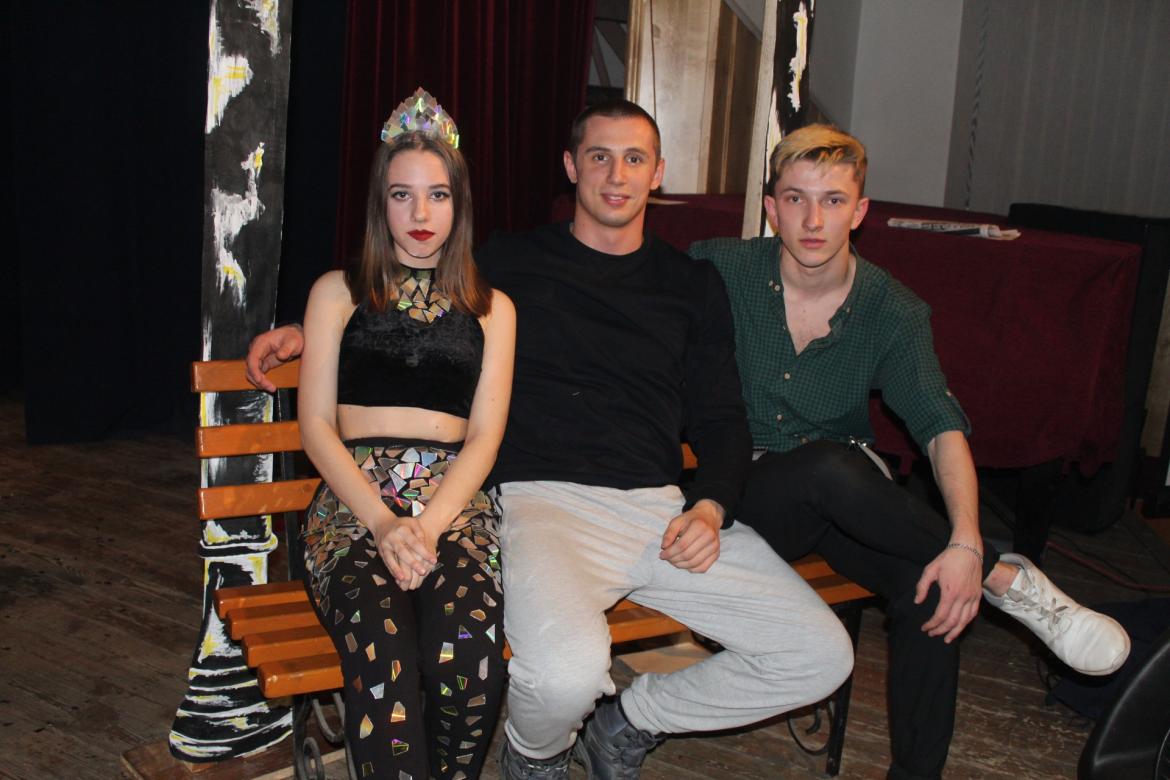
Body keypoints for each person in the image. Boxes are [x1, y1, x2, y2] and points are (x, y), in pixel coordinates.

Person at [249, 100, 853, 779]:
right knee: (565, 674)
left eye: (634, 159)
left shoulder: (692, 284)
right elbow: (411, 289)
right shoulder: (510, 261)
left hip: (661, 510)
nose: (616, 175)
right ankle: (535, 758)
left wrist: (711, 505)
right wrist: (306, 333)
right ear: (571, 166)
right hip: (544, 504)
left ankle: (632, 720)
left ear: (658, 173)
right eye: (599, 157)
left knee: (821, 654)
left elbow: (721, 415)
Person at [689, 123, 1131, 780]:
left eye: (833, 200)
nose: (814, 220)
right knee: (828, 466)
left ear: (861, 211)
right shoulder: (718, 267)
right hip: (743, 497)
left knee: (932, 590)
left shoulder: (891, 309)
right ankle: (1005, 579)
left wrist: (964, 541)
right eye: (796, 198)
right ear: (771, 206)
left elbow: (938, 424)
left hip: (844, 502)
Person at [296, 89, 515, 780]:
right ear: (379, 204)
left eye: (437, 196)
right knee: (383, 658)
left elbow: (485, 437)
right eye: (402, 195)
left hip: (456, 507)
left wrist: (426, 526)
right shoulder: (337, 292)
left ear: (459, 204)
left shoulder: (492, 308)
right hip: (351, 506)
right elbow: (315, 426)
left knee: (469, 655)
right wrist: (385, 522)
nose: (421, 215)